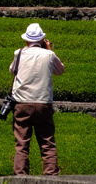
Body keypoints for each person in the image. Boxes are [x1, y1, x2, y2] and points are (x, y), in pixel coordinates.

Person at [9, 22, 65, 175]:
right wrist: (49, 50)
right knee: (47, 142)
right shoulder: (49, 55)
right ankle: (50, 174)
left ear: (26, 40)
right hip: (43, 103)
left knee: (21, 143)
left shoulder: (18, 53)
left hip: (21, 102)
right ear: (42, 40)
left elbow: (12, 70)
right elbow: (60, 70)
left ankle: (20, 176)